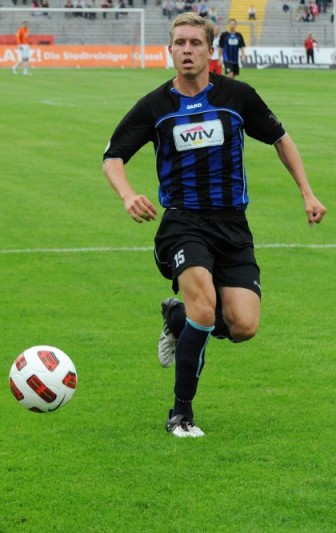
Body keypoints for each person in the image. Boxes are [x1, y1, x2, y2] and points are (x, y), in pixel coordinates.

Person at [102, 13, 326, 438]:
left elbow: (280, 138)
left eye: (195, 43)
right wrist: (128, 195)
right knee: (205, 307)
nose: (187, 50)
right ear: (170, 49)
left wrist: (307, 192)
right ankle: (181, 414)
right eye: (180, 43)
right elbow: (113, 157)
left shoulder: (237, 97)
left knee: (243, 325)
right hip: (182, 224)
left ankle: (177, 319)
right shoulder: (155, 106)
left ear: (210, 50)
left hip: (233, 226)